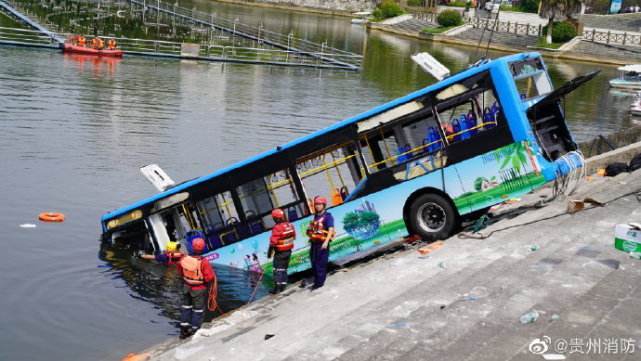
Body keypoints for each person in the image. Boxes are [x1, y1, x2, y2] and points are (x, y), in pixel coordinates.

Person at [176, 238, 215, 339]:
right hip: (198, 288)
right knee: (198, 310)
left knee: (186, 307)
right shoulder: (204, 262)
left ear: (191, 247)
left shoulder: (183, 259)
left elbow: (180, 272)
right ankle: (194, 329)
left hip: (186, 287)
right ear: (203, 248)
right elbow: (209, 277)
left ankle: (184, 330)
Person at [306, 196, 335, 290]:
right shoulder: (316, 216)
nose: (317, 206)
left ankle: (319, 283)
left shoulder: (328, 216)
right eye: (316, 204)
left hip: (322, 243)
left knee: (320, 263)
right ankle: (317, 281)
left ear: (324, 205)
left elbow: (331, 229)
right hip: (314, 243)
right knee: (314, 262)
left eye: (319, 204)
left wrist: (326, 242)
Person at [268, 208, 296, 294]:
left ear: (275, 218)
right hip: (288, 251)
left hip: (280, 253)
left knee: (277, 269)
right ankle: (283, 286)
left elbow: (273, 242)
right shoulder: (290, 225)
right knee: (284, 269)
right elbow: (294, 237)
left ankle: (277, 288)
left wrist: (269, 253)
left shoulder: (277, 228)